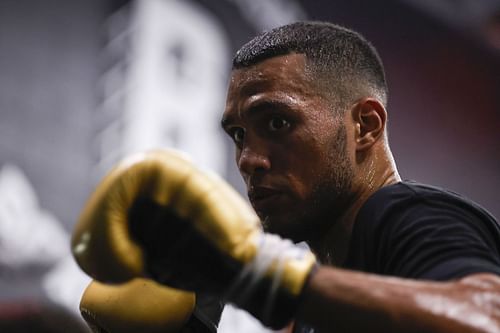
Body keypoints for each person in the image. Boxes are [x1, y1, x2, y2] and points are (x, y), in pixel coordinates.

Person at [73, 21, 500, 333]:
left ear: (365, 126)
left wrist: (258, 275)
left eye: (277, 123)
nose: (249, 160)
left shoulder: (407, 215)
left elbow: (488, 318)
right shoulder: (317, 306)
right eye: (239, 135)